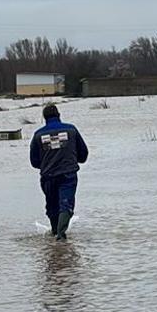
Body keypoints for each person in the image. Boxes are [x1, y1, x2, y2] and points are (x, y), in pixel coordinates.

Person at [28, 100, 89, 237]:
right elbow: (83, 153)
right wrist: (74, 159)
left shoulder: (38, 135)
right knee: (65, 205)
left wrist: (46, 164)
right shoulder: (71, 130)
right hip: (68, 174)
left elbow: (34, 161)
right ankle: (61, 236)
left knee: (52, 206)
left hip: (47, 177)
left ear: (44, 118)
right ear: (59, 115)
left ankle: (55, 234)